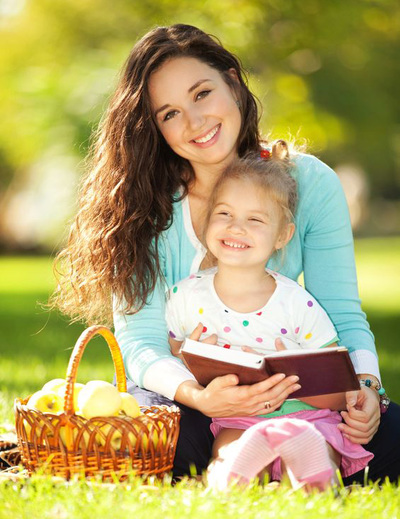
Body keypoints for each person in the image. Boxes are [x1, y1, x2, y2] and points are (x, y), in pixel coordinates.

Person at [52, 23, 400, 484]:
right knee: (163, 438)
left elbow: (342, 315)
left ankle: (294, 453)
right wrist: (201, 397)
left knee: (391, 433)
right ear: (154, 127)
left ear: (233, 81)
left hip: (298, 398)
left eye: (202, 94)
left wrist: (368, 391)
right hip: (192, 400)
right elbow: (141, 342)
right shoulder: (143, 204)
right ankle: (262, 461)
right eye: (170, 113)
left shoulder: (310, 183)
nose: (195, 123)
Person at [165, 145, 374, 490]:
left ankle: (310, 480)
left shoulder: (296, 303)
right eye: (225, 214)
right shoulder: (187, 297)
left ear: (282, 236)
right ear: (206, 222)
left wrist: (292, 377)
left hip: (309, 417)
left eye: (255, 219)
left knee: (315, 455)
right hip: (239, 417)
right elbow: (175, 350)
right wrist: (194, 358)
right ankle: (235, 473)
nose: (236, 228)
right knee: (227, 452)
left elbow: (338, 385)